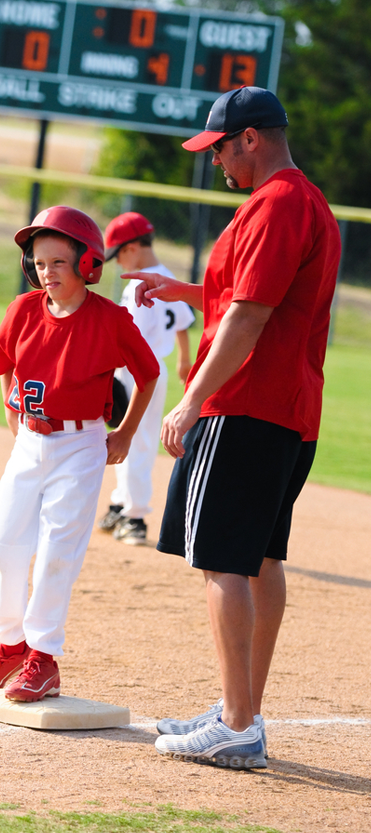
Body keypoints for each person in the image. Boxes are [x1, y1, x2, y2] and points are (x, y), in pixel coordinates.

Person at [123, 86, 341, 769]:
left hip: (245, 404)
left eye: (219, 147)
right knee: (261, 560)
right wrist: (188, 293)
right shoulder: (309, 203)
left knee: (221, 560)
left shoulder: (276, 204)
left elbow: (248, 319)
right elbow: (254, 299)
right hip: (289, 408)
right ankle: (238, 707)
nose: (215, 160)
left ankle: (240, 724)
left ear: (250, 138)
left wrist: (191, 399)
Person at [0, 206, 159, 702]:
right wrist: (11, 408)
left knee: (57, 552)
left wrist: (124, 433)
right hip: (31, 440)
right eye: (37, 262)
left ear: (88, 264)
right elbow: (4, 360)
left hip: (81, 445)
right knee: (4, 543)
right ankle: (11, 644)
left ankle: (43, 659)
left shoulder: (110, 320)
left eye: (56, 262)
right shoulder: (23, 309)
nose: (45, 272)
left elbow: (148, 374)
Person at [97, 212, 194, 545]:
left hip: (138, 371)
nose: (117, 260)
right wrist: (183, 357)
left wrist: (106, 367)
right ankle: (123, 500)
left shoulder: (142, 283)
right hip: (152, 368)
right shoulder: (166, 277)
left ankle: (135, 516)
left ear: (134, 247)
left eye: (120, 252)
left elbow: (129, 336)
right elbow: (183, 321)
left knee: (133, 439)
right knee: (128, 436)